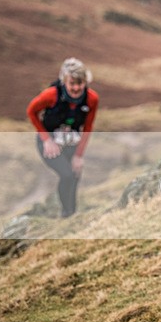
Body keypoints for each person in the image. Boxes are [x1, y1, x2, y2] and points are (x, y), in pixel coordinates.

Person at [27, 58, 99, 218]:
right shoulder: (50, 95)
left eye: (80, 83)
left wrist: (78, 156)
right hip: (49, 142)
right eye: (72, 83)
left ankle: (71, 213)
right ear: (64, 81)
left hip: (71, 142)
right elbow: (31, 111)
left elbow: (87, 127)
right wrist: (46, 140)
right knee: (66, 174)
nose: (76, 88)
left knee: (75, 175)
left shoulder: (92, 99)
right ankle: (66, 213)